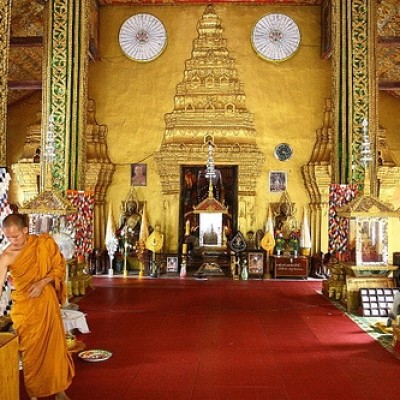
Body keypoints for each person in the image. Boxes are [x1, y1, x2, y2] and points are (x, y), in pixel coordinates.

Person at [0, 214, 74, 400]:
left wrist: (43, 282)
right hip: (25, 309)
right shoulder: (7, 256)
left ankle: (59, 390)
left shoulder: (43, 243)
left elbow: (59, 267)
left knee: (54, 347)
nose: (12, 241)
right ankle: (34, 393)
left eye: (16, 236)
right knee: (30, 352)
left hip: (46, 302)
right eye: (8, 237)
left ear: (25, 230)